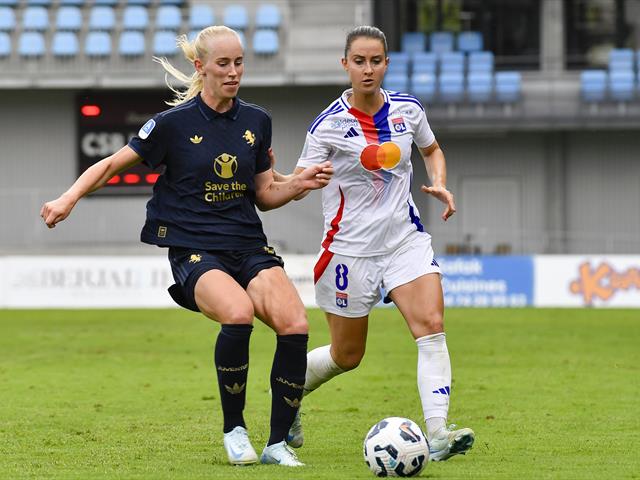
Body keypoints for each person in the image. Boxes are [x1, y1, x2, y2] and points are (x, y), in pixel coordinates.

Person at [40, 26, 333, 468]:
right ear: (201, 67)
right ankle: (235, 431)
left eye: (239, 63)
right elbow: (111, 165)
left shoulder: (257, 120)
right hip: (195, 248)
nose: (234, 72)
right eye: (223, 64)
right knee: (236, 314)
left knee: (294, 323)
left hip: (248, 245)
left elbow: (265, 195)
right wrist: (69, 197)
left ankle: (277, 443)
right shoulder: (171, 124)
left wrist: (296, 185)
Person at [279, 25, 475, 461]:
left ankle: (439, 433)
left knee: (431, 325)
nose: (368, 69)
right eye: (360, 61)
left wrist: (439, 182)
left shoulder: (409, 110)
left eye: (376, 61)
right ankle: (288, 397)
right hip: (348, 251)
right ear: (345, 65)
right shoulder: (328, 125)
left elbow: (431, 150)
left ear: (386, 63)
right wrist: (306, 179)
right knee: (348, 355)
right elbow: (297, 181)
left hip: (404, 239)